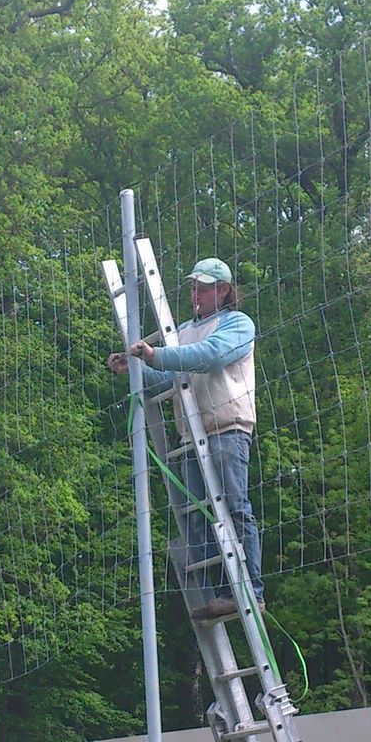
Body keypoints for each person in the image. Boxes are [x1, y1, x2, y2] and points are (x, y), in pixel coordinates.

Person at [108, 257, 262, 621]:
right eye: (194, 287)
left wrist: (157, 354)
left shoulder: (237, 324)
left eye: (204, 288)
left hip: (227, 427)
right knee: (199, 518)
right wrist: (137, 369)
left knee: (235, 509)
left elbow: (209, 357)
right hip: (192, 434)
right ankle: (220, 593)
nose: (196, 295)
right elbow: (170, 380)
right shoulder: (182, 332)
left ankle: (250, 590)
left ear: (223, 291)